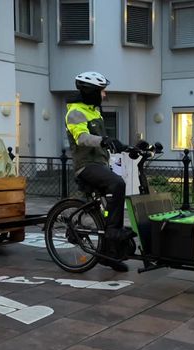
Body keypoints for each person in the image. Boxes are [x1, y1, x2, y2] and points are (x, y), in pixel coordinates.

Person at [65, 71, 134, 272]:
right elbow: (82, 138)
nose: (104, 95)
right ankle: (113, 233)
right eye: (102, 91)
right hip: (86, 166)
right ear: (91, 92)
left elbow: (104, 141)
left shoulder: (94, 110)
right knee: (117, 184)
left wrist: (128, 147)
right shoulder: (76, 112)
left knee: (109, 208)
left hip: (99, 164)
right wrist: (104, 140)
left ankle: (108, 255)